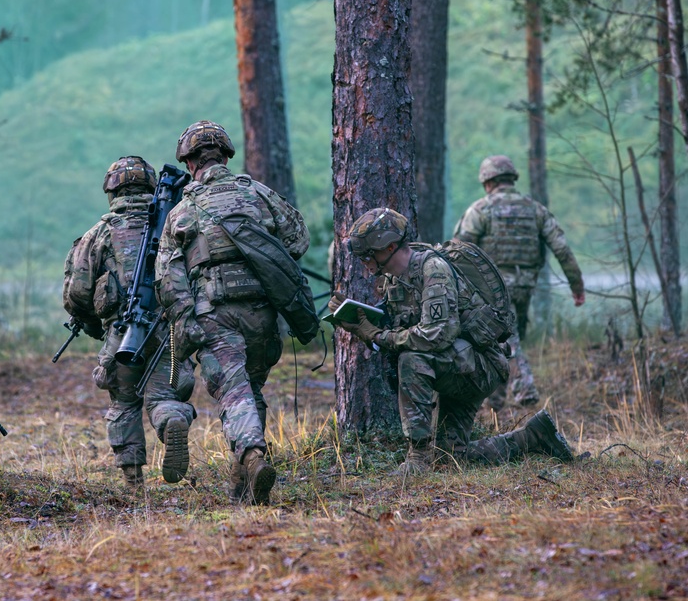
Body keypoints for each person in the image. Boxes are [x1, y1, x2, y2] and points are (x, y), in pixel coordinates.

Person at [334, 208, 574, 475]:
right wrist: (361, 325)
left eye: (369, 255)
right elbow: (407, 332)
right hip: (457, 365)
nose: (365, 262)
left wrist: (379, 336)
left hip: (478, 368)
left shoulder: (433, 270)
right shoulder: (394, 280)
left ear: (390, 247)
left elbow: (436, 335)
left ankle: (417, 459)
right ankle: (534, 437)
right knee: (451, 458)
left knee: (412, 359)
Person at [155, 121, 310, 505]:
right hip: (262, 315)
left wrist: (185, 320)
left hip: (216, 316)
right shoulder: (259, 194)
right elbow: (298, 240)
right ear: (225, 156)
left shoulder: (182, 211)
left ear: (190, 163)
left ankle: (254, 455)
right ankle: (244, 486)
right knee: (248, 390)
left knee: (233, 392)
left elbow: (167, 277)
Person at [63, 156, 196, 488]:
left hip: (122, 334)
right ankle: (172, 421)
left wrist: (95, 324)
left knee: (123, 401)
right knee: (165, 396)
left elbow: (76, 293)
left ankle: (134, 481)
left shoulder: (99, 234)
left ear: (112, 190)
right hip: (169, 332)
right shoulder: (173, 223)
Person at [453, 155, 585, 409]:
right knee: (508, 337)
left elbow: (458, 251)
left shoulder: (480, 210)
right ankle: (496, 402)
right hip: (525, 286)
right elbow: (562, 250)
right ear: (511, 179)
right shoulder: (535, 210)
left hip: (491, 290)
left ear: (487, 182)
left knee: (506, 339)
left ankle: (524, 387)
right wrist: (576, 286)